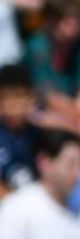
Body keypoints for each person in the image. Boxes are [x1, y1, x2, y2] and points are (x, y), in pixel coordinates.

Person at [24, 0, 80, 143]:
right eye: (65, 20)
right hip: (40, 112)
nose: (72, 26)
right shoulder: (37, 47)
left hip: (71, 109)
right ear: (50, 21)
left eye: (76, 19)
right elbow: (48, 98)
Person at [0, 63, 42, 196]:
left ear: (31, 98)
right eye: (6, 97)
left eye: (19, 96)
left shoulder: (39, 136)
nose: (12, 104)